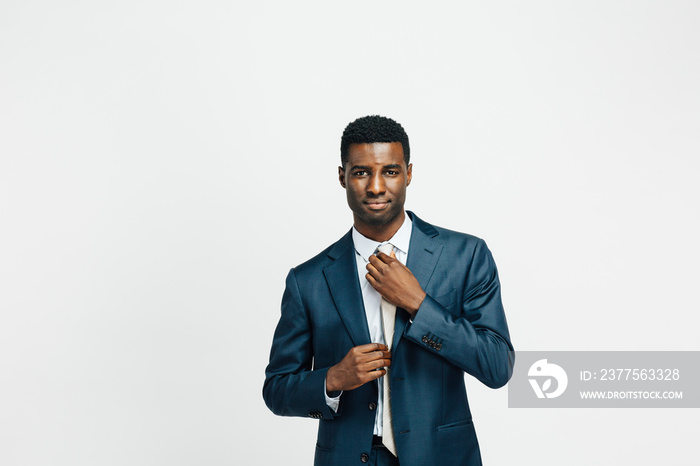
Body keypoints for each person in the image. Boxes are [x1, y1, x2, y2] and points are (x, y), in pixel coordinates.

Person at [263, 115, 514, 466]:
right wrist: (333, 378)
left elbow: (497, 365)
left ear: (409, 173)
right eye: (362, 172)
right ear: (342, 177)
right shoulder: (309, 280)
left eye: (391, 172)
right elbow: (276, 389)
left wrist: (419, 304)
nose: (377, 187)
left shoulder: (465, 256)